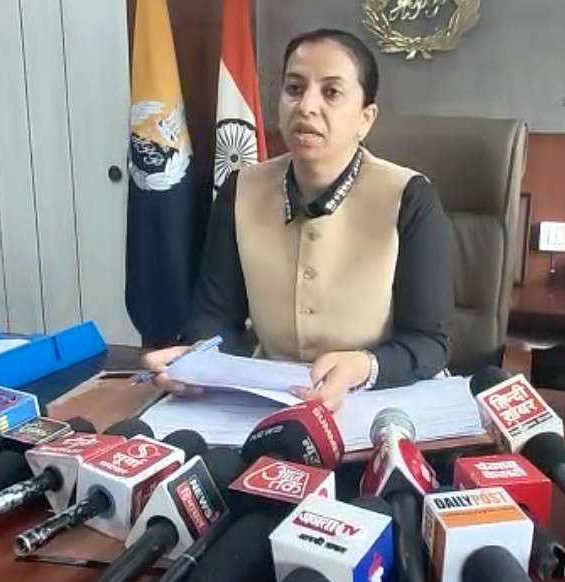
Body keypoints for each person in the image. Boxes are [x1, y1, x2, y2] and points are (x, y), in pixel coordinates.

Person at [141, 28, 454, 411]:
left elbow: (429, 341)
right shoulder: (242, 189)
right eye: (294, 88)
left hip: (380, 397)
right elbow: (216, 314)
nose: (306, 106)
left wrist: (364, 366)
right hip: (269, 400)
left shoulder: (409, 196)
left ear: (366, 118)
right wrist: (198, 359)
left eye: (331, 92)